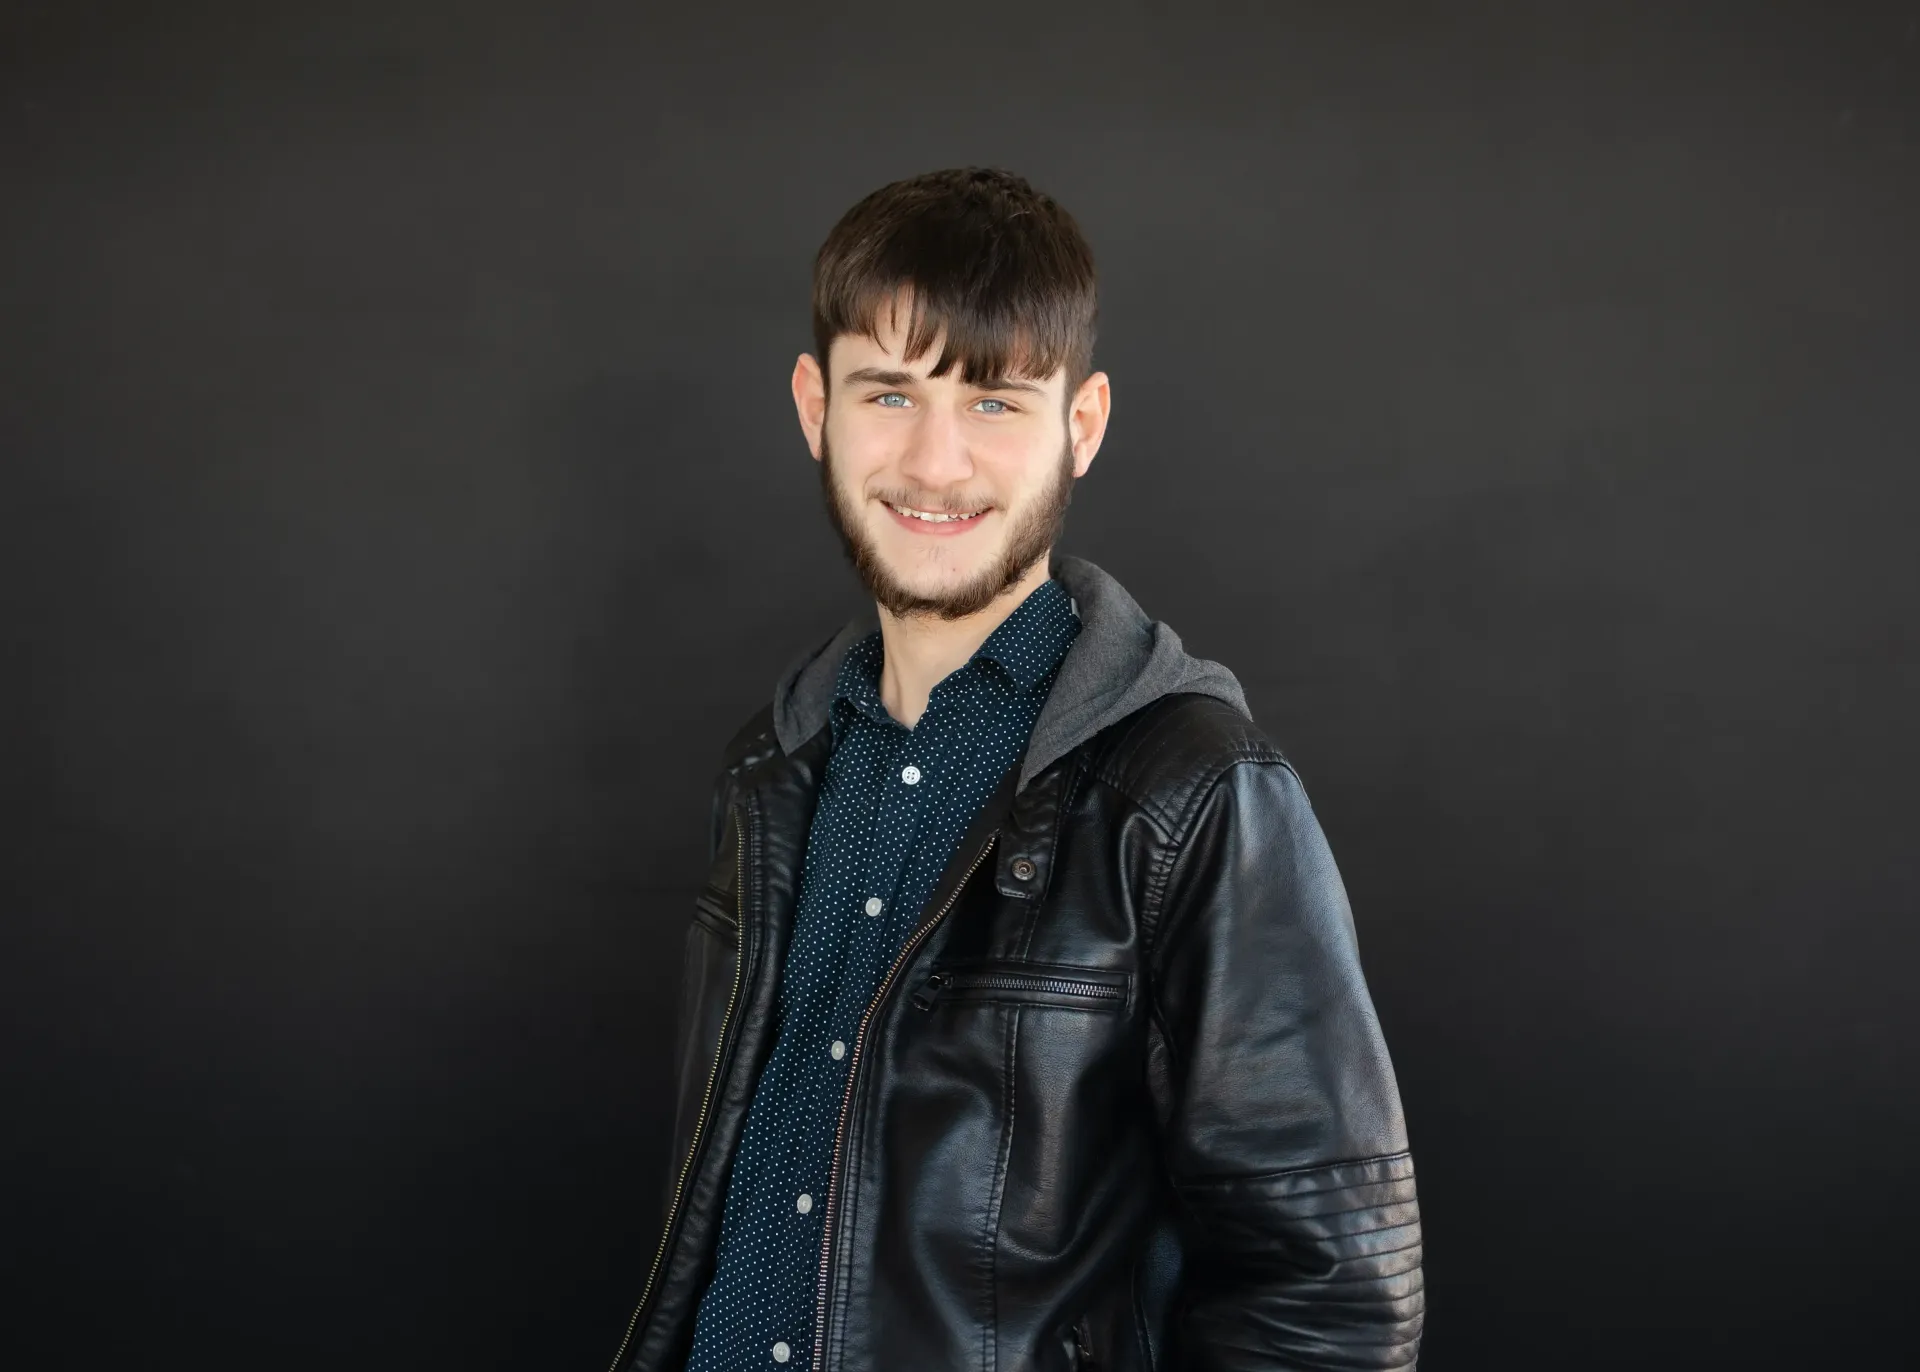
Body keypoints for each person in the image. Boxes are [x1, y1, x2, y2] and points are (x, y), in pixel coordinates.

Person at [608, 167, 1422, 1372]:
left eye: (993, 401)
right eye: (890, 393)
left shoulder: (1192, 792)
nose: (935, 464)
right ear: (814, 407)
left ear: (1082, 425)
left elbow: (1330, 1305)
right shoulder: (774, 766)